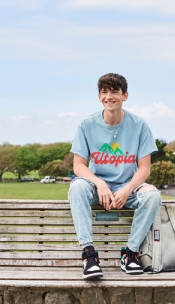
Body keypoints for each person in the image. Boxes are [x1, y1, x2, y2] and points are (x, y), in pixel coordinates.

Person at [68, 73, 162, 279]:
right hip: (96, 187)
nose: (108, 96)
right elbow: (79, 166)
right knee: (77, 187)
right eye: (104, 92)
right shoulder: (86, 125)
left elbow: (144, 169)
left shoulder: (139, 125)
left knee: (153, 195)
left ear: (125, 96)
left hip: (127, 187)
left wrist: (127, 189)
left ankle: (130, 253)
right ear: (99, 96)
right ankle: (89, 255)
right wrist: (100, 183)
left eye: (114, 92)